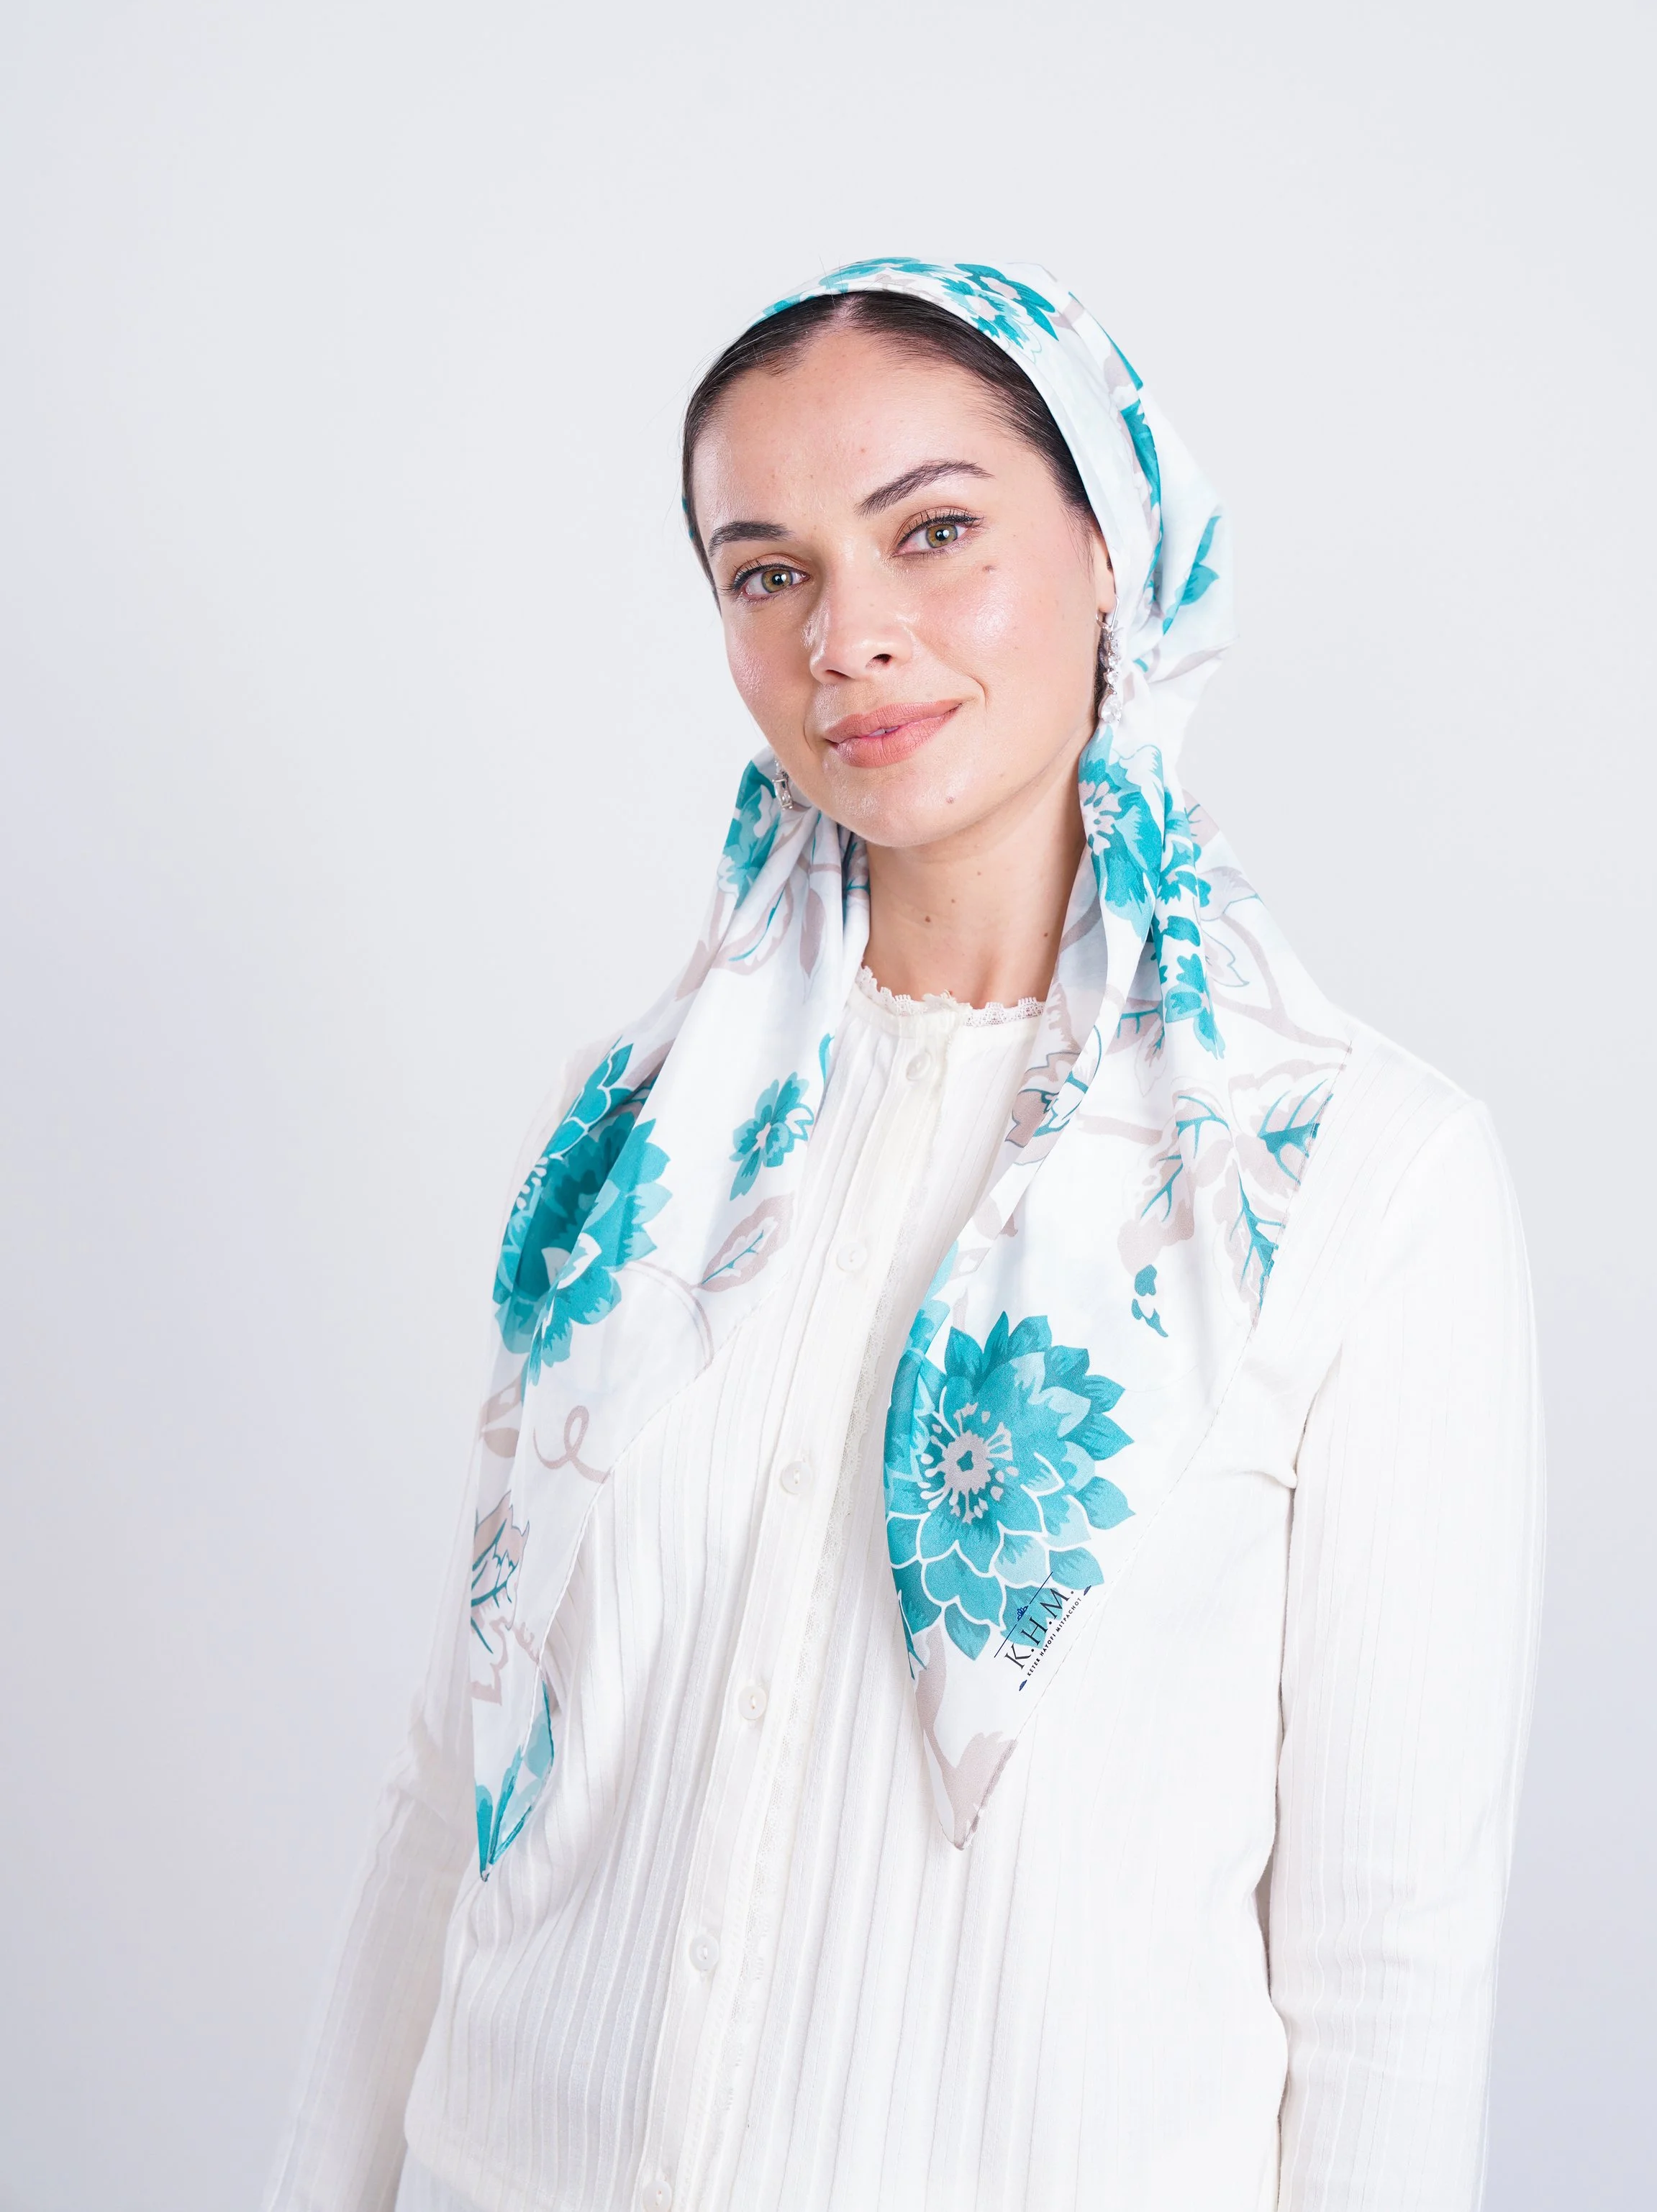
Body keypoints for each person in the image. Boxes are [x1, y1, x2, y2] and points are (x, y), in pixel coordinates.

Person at [265, 259, 1545, 2212]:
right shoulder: (633, 1134)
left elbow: (1385, 1977)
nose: (847, 634)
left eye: (932, 532)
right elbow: (455, 1790)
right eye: (763, 569)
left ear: (1113, 549)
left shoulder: (1358, 1175)